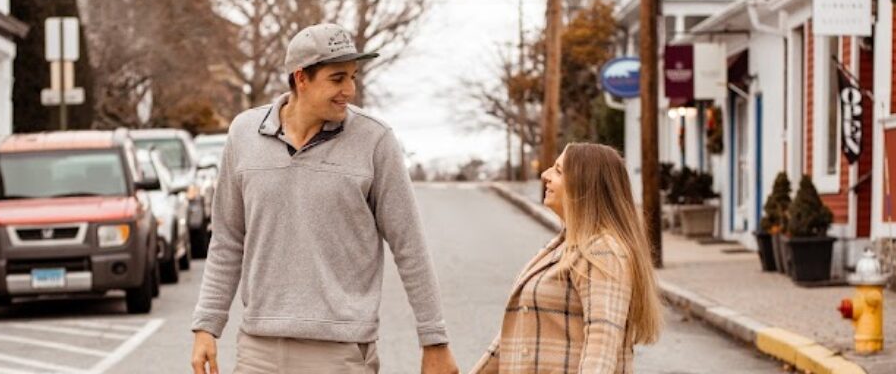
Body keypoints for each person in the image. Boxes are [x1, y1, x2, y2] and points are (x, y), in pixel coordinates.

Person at [190, 23, 459, 374]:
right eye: (337, 78)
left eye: (353, 77)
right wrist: (206, 326)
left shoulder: (375, 141)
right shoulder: (244, 134)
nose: (349, 89)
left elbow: (410, 247)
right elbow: (227, 240)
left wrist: (434, 340)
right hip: (259, 350)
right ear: (301, 78)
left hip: (342, 353)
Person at [471, 143, 663, 374]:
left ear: (585, 186)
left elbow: (601, 346)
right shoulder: (565, 245)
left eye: (558, 171)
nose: (545, 175)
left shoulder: (603, 251)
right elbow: (513, 337)